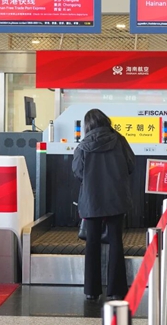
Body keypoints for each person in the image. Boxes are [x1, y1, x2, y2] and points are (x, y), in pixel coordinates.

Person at [72, 108, 135, 301]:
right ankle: (117, 290)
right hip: (116, 198)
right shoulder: (120, 140)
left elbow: (78, 171)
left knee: (92, 243)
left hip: (92, 199)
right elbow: (131, 165)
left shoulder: (83, 145)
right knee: (116, 241)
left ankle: (92, 290)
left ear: (88, 125)